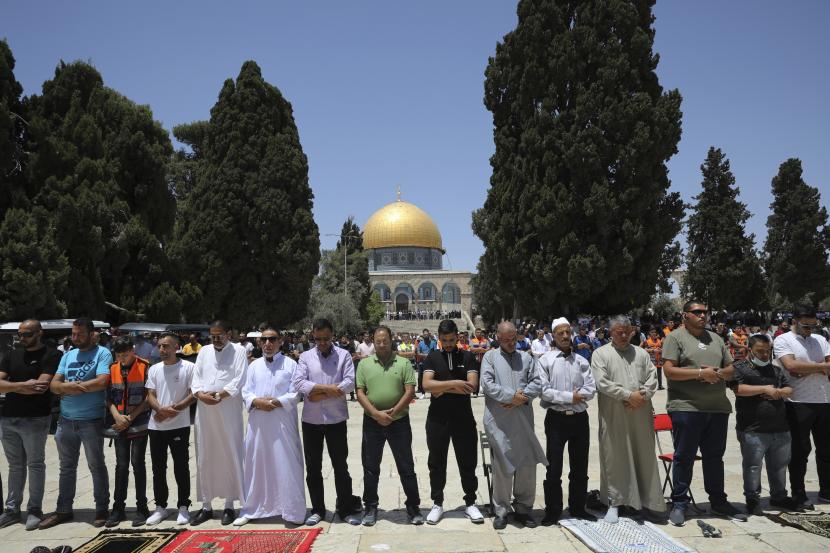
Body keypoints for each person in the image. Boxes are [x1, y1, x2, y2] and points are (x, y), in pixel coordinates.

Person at [662, 300, 745, 526]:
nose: (702, 315)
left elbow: (730, 368)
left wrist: (716, 373)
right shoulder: (675, 338)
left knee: (714, 458)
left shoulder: (716, 339)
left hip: (717, 407)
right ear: (685, 315)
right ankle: (679, 502)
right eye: (697, 312)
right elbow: (669, 371)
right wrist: (700, 373)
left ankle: (718, 501)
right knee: (684, 456)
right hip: (687, 407)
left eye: (705, 312)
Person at [40, 318, 113, 529]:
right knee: (66, 468)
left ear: (91, 334)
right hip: (65, 421)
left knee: (96, 466)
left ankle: (101, 509)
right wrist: (69, 387)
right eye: (73, 334)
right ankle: (63, 510)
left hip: (91, 420)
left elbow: (102, 381)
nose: (75, 337)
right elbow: (54, 385)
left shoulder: (102, 353)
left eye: (80, 334)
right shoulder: (68, 354)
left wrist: (69, 388)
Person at [591, 315, 664, 524]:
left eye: (626, 331)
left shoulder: (641, 353)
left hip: (640, 414)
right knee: (615, 457)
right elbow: (602, 382)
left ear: (632, 331)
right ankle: (615, 502)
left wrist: (641, 395)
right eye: (618, 332)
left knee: (644, 456)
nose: (623, 335)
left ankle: (648, 501)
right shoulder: (600, 354)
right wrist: (628, 395)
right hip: (615, 415)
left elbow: (652, 377)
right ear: (611, 332)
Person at [292, 319, 362, 526]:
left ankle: (345, 509)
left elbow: (349, 383)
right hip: (311, 421)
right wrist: (331, 389)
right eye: (318, 338)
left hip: (336, 419)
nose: (322, 342)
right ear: (313, 335)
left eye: (326, 338)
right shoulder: (305, 357)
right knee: (313, 468)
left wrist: (319, 393)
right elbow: (298, 383)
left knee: (340, 466)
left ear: (332, 335)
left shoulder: (344, 356)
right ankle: (318, 510)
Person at [234, 328, 305, 526]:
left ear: (280, 341)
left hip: (282, 424)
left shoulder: (291, 364)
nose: (267, 343)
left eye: (272, 339)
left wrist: (273, 403)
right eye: (263, 340)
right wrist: (257, 402)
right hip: (259, 424)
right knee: (257, 464)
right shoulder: (254, 366)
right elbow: (245, 391)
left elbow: (295, 393)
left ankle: (292, 510)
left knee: (287, 464)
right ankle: (253, 509)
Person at [480, 321, 546, 530]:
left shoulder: (526, 358)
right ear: (498, 338)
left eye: (513, 339)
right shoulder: (489, 357)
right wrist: (510, 396)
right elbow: (488, 384)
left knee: (526, 465)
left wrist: (522, 397)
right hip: (499, 420)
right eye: (506, 340)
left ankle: (524, 509)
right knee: (502, 465)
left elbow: (537, 381)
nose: (510, 343)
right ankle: (501, 510)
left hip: (523, 418)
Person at [356, 325, 422, 526]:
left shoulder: (403, 363)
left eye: (385, 341)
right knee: (370, 467)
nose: (382, 345)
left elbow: (409, 391)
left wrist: (392, 413)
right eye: (378, 341)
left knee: (406, 466)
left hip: (399, 421)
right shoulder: (364, 365)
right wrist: (376, 414)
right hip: (372, 422)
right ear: (373, 342)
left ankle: (413, 506)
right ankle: (371, 506)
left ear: (391, 340)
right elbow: (360, 392)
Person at [421, 320, 484, 525]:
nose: (448, 344)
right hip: (437, 419)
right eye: (444, 340)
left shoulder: (467, 356)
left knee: (467, 461)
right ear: (439, 339)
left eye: (451, 339)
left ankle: (471, 503)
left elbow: (472, 386)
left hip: (463, 418)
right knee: (437, 462)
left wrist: (442, 388)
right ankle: (437, 503)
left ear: (458, 337)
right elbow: (426, 385)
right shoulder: (432, 357)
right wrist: (456, 383)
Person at [0, 320, 61, 530]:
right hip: (8, 418)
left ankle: (35, 510)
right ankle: (12, 510)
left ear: (39, 333)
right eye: (20, 334)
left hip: (35, 418)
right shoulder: (12, 355)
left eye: (26, 334)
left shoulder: (52, 355)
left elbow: (41, 387)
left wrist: (11, 387)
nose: (22, 338)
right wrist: (22, 385)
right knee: (15, 466)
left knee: (35, 464)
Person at [728, 334, 797, 514]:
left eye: (768, 351)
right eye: (760, 352)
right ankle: (752, 498)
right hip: (753, 429)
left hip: (780, 428)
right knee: (752, 466)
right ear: (750, 350)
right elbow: (738, 389)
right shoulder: (739, 368)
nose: (765, 355)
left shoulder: (776, 370)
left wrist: (780, 392)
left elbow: (790, 388)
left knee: (779, 466)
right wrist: (764, 389)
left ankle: (779, 497)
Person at [538, 317, 597, 525]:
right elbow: (544, 392)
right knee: (553, 467)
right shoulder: (546, 360)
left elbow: (590, 388)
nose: (565, 336)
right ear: (553, 335)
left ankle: (578, 507)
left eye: (567, 332)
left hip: (580, 420)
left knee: (579, 465)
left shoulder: (581, 361)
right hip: (556, 420)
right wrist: (570, 397)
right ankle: (553, 510)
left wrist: (576, 396)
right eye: (560, 333)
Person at [190, 320, 248, 526]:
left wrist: (220, 394)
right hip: (205, 411)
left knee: (229, 452)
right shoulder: (204, 351)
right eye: (212, 335)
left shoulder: (239, 351)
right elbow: (195, 378)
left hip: (228, 409)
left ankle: (229, 505)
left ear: (229, 333)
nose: (216, 338)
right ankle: (206, 506)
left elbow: (240, 378)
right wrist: (199, 394)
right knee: (205, 454)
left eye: (220, 334)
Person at [773, 304, 830, 509]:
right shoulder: (783, 340)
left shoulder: (821, 340)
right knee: (800, 450)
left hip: (824, 400)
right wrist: (821, 367)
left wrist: (809, 369)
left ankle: (826, 491)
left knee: (826, 450)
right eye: (806, 326)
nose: (810, 330)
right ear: (794, 321)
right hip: (798, 403)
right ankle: (798, 492)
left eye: (813, 326)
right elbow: (791, 367)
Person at [144, 332, 195, 526]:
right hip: (156, 426)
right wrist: (160, 409)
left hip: (179, 425)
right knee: (158, 468)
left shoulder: (188, 367)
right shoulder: (154, 369)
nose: (162, 350)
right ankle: (161, 508)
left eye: (166, 346)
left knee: (181, 466)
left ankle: (183, 506)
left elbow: (193, 393)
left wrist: (176, 409)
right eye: (160, 346)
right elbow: (150, 393)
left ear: (176, 347)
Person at [104, 336, 151, 527]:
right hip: (119, 424)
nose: (122, 358)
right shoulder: (112, 369)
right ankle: (118, 508)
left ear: (133, 350)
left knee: (137, 463)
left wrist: (130, 418)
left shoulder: (146, 367)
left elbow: (149, 397)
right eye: (119, 355)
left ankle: (142, 508)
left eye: (125, 354)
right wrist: (117, 416)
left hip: (139, 423)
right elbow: (108, 398)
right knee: (121, 466)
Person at [415, 329, 436, 398]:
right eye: (425, 334)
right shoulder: (420, 343)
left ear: (429, 334)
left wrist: (424, 355)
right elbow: (418, 353)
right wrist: (427, 355)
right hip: (422, 363)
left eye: (427, 334)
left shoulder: (433, 342)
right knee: (421, 378)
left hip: (431, 363)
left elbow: (435, 353)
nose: (426, 335)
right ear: (423, 335)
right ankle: (422, 392)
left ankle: (433, 392)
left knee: (433, 377)